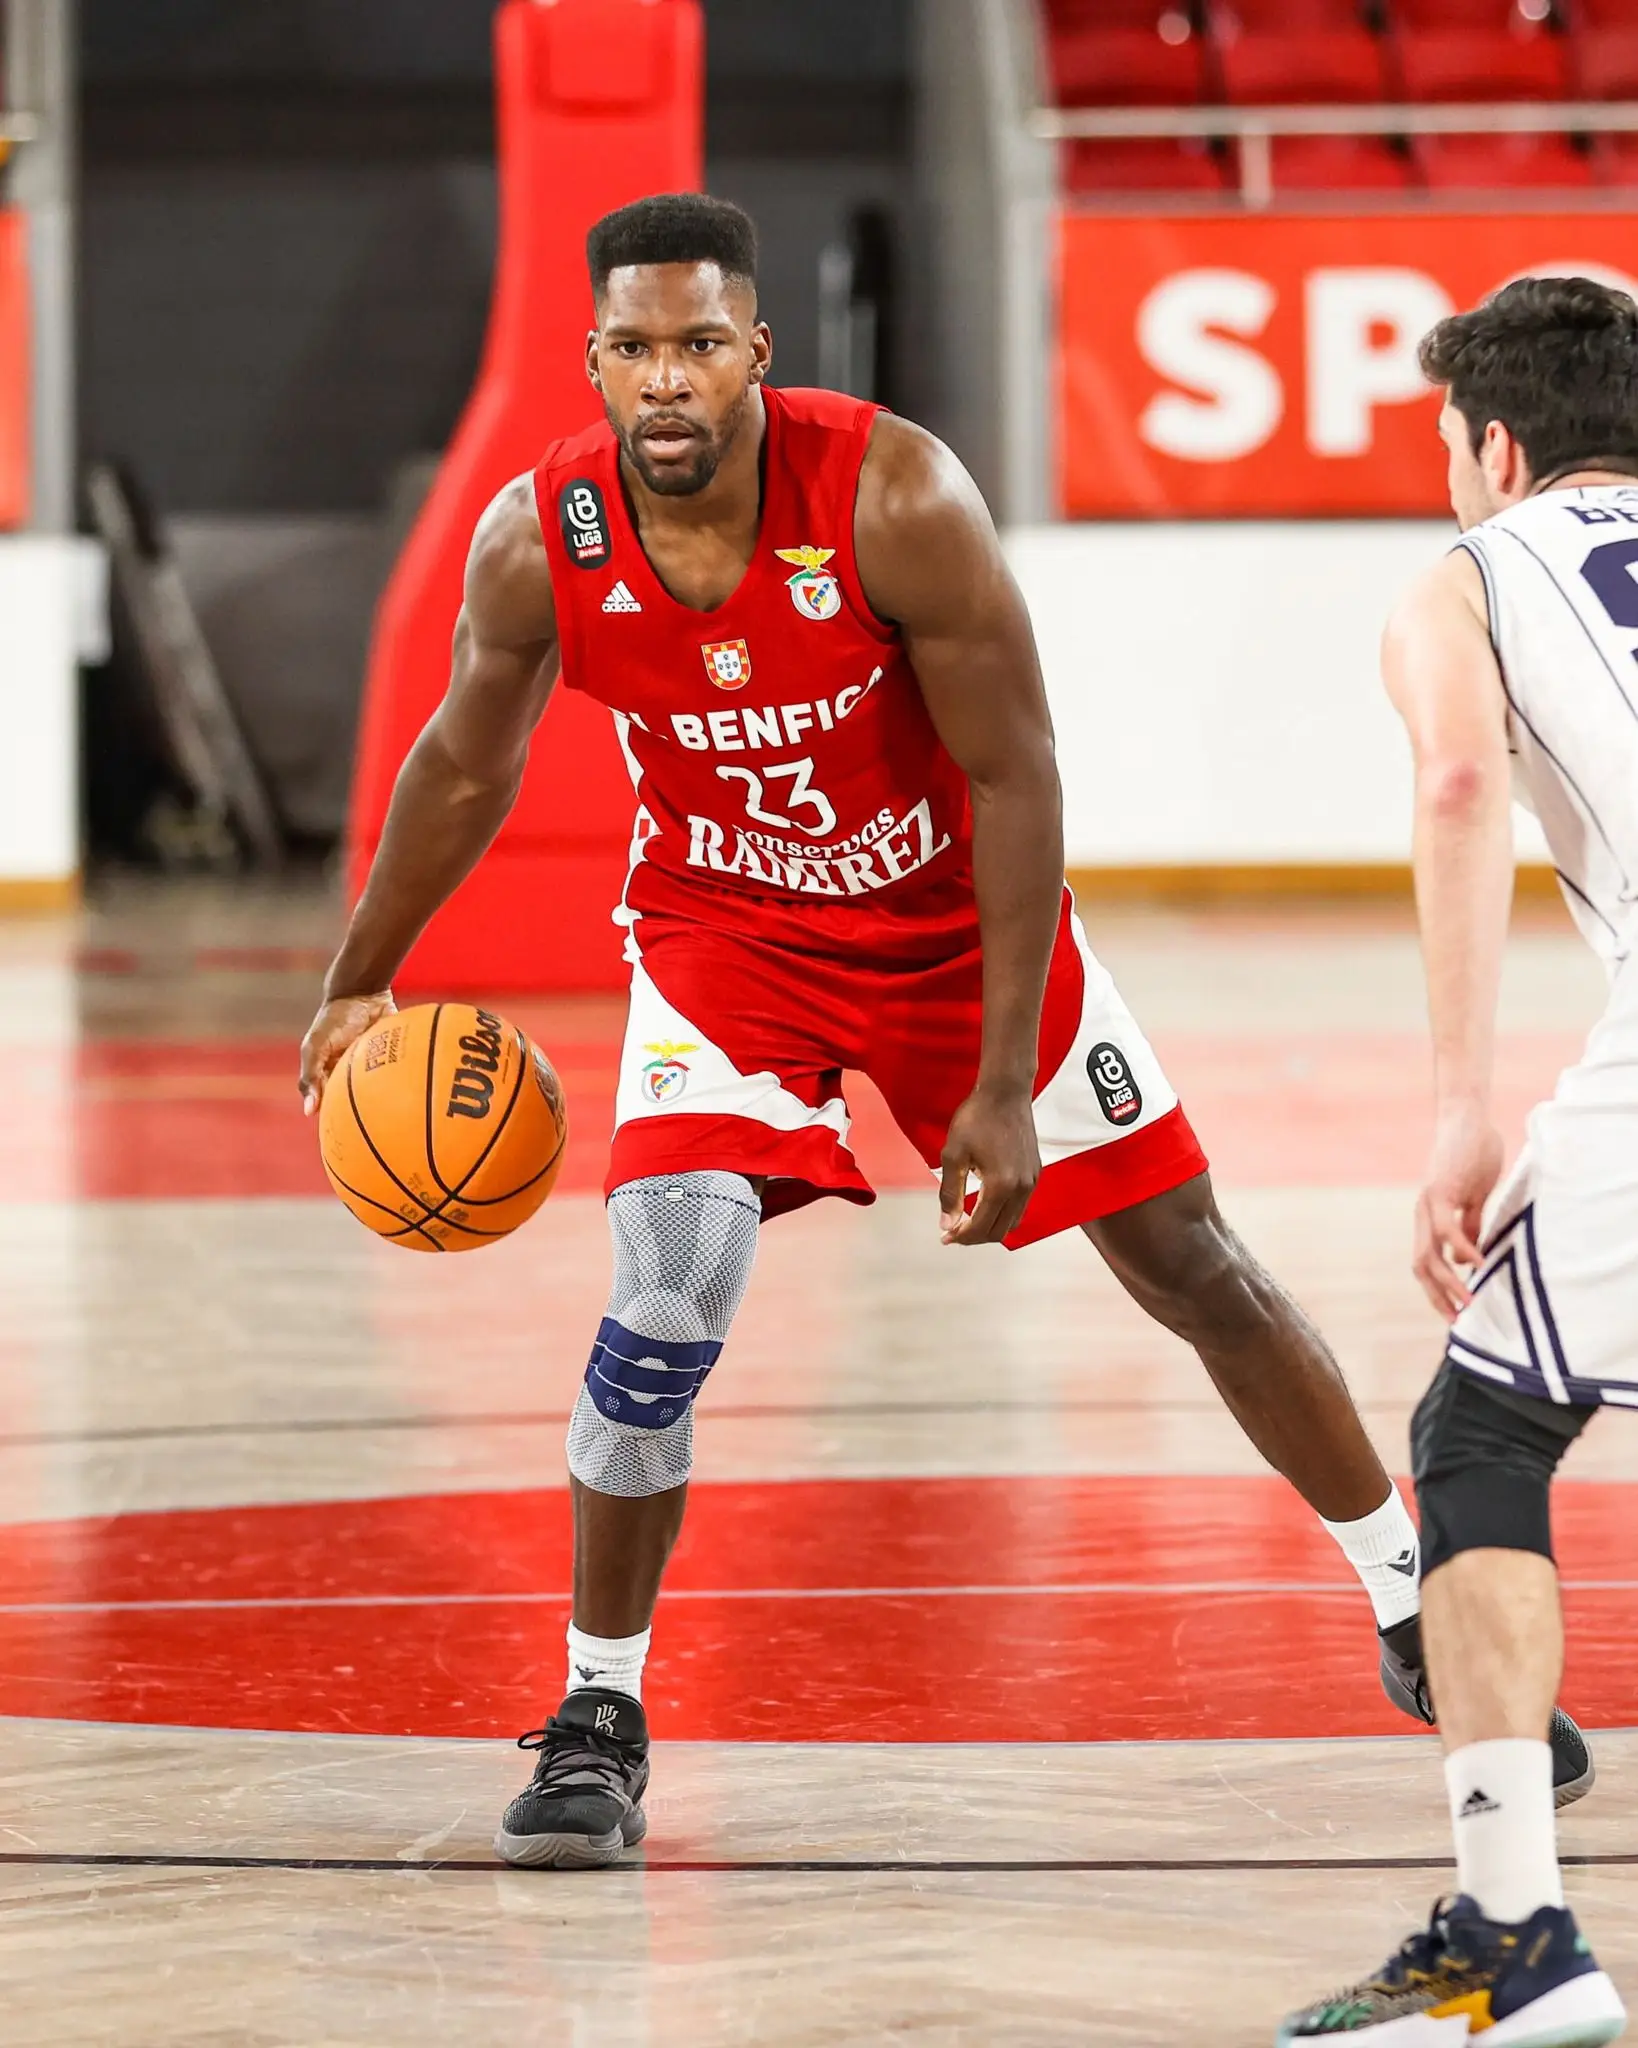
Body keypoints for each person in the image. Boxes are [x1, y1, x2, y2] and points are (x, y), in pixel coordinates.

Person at [298, 195, 1560, 1872]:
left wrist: (994, 1084)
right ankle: (600, 1712)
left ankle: (1414, 1609)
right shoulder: (543, 539)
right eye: (633, 350)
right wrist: (356, 971)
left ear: (755, 349)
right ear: (594, 358)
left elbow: (1016, 772)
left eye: (696, 345)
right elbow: (466, 760)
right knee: (665, 1295)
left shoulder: (892, 494)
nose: (664, 381)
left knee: (1189, 1266)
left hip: (959, 927)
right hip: (722, 935)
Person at [1278, 278, 1635, 2045]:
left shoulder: (1470, 575)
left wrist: (1455, 1103)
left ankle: (1517, 1939)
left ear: (1492, 444)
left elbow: (1453, 790)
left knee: (1479, 1431)